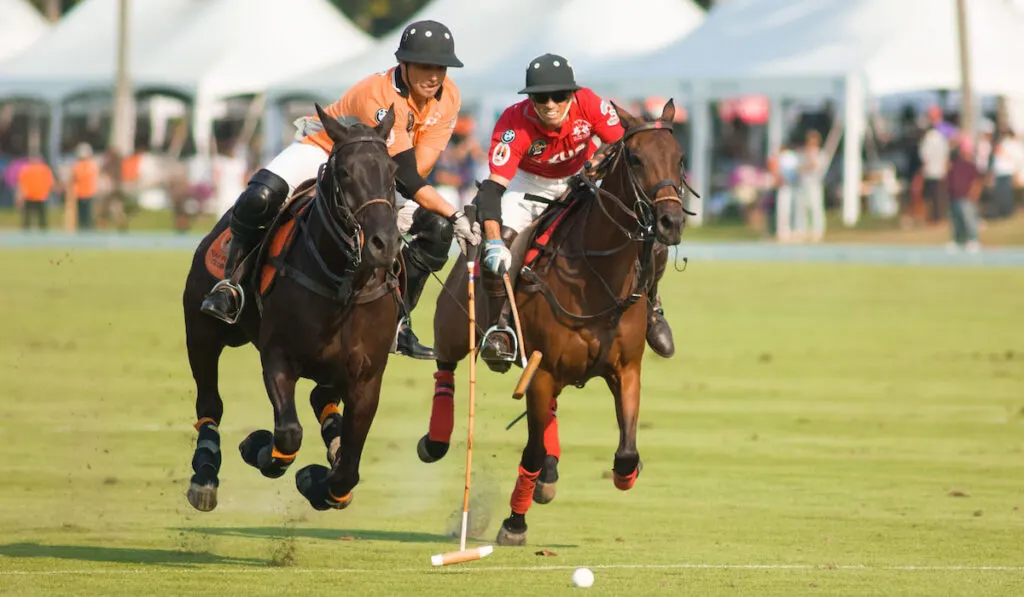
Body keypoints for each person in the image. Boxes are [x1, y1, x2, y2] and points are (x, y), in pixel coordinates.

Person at [199, 20, 481, 359]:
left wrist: (426, 212)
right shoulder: (380, 94)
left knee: (436, 230)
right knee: (262, 195)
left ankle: (398, 322)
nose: (434, 75)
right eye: (424, 65)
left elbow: (419, 167)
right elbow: (408, 174)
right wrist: (454, 212)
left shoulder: (448, 96)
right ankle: (230, 284)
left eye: (440, 67)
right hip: (325, 149)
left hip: (378, 172)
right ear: (403, 64)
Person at [471, 53, 676, 367]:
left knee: (640, 233)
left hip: (580, 182)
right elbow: (493, 187)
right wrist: (494, 240)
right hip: (529, 186)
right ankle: (501, 330)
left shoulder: (590, 104)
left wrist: (598, 161)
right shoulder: (513, 123)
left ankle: (652, 307)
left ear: (572, 93)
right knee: (500, 250)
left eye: (559, 95)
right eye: (541, 97)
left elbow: (625, 145)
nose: (550, 104)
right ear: (530, 99)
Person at [15, 154, 55, 230]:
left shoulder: (26, 169)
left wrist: (19, 197)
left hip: (30, 196)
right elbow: (50, 183)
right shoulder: (44, 169)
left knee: (28, 219)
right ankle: (43, 234)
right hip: (39, 196)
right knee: (41, 219)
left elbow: (21, 185)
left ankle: (26, 234)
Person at [69, 143, 100, 230]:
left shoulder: (91, 165)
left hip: (89, 193)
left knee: (88, 216)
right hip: (80, 193)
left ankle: (88, 230)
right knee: (82, 216)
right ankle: (83, 231)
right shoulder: (78, 166)